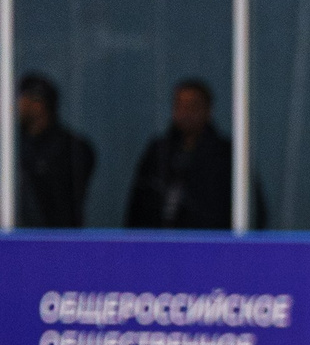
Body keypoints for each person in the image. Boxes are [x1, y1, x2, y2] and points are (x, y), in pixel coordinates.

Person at [124, 76, 265, 229]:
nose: (185, 112)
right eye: (180, 105)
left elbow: (251, 208)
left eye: (192, 106)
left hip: (209, 240)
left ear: (208, 110)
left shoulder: (226, 154)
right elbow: (138, 205)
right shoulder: (159, 152)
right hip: (159, 239)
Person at [14, 72, 96, 227]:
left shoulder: (71, 149)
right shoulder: (13, 146)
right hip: (22, 233)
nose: (14, 106)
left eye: (20, 98)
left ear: (38, 104)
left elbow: (62, 203)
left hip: (58, 236)